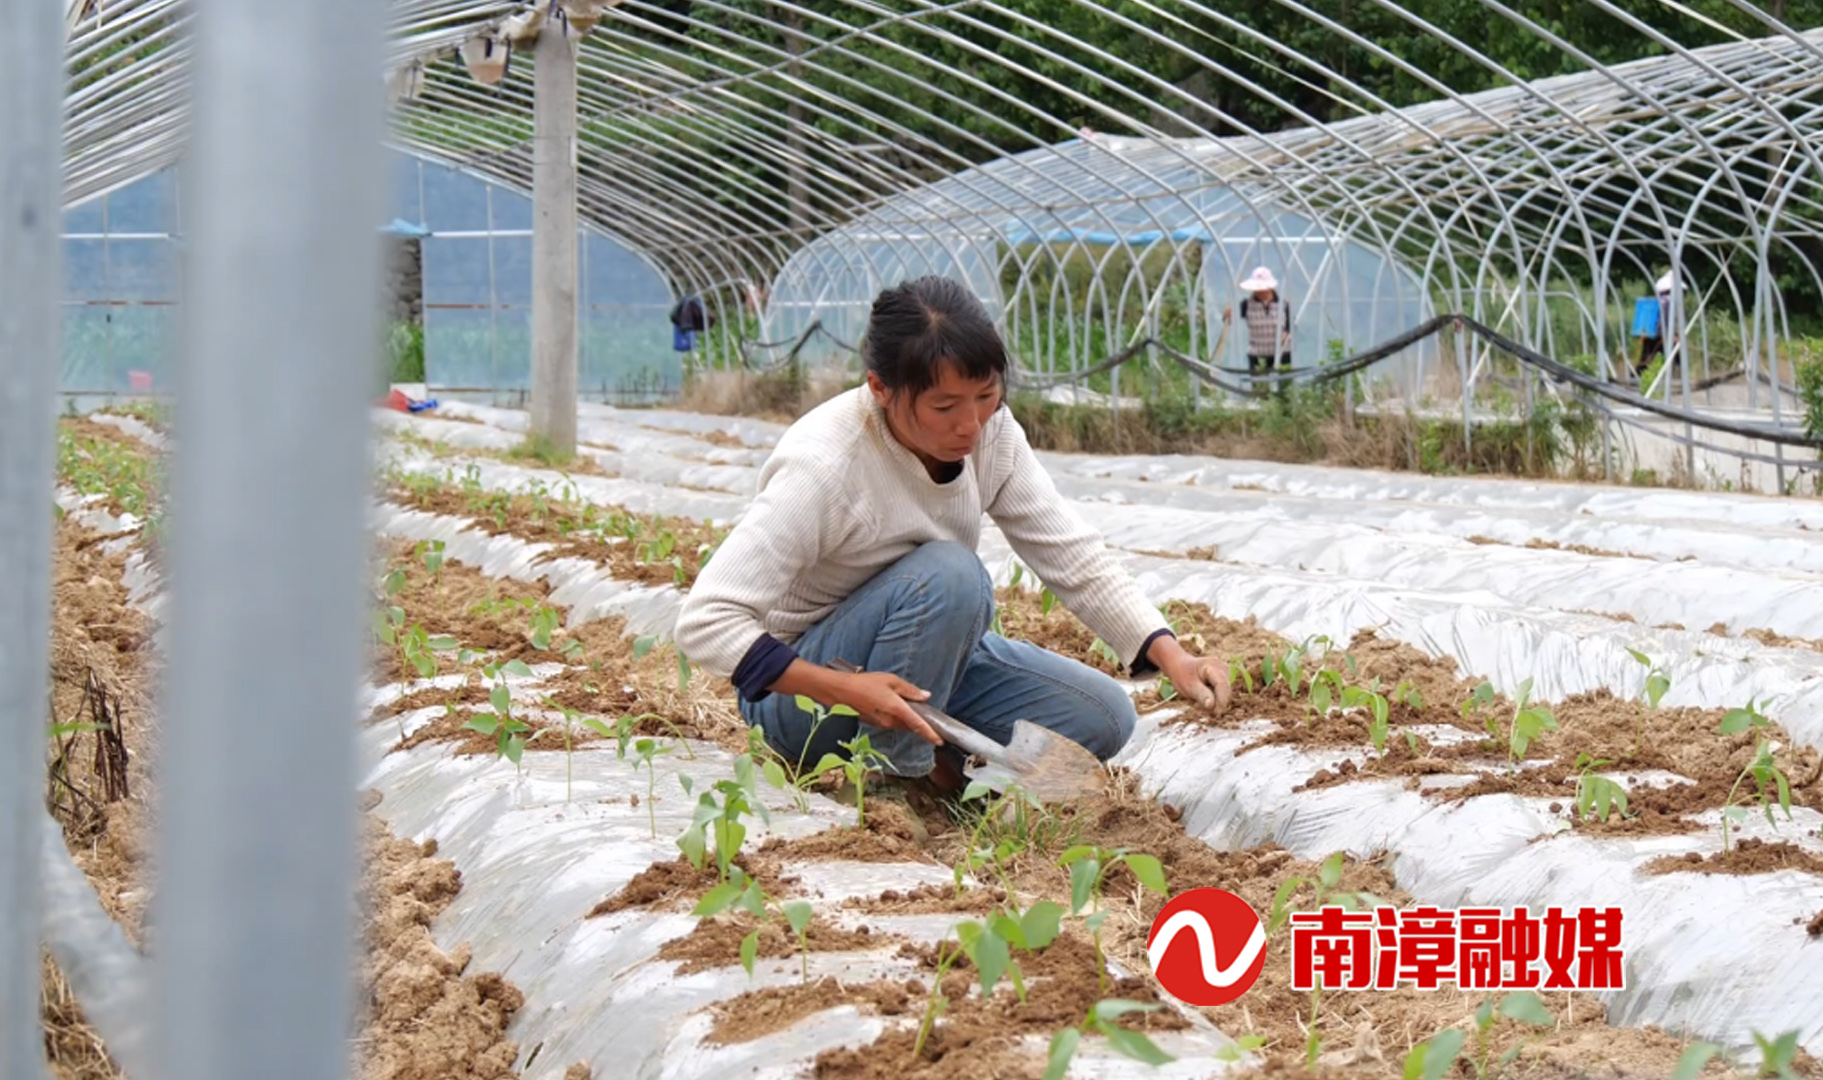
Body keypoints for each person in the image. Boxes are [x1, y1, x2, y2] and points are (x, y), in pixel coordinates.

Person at [673, 275, 1233, 793]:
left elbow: (1068, 551)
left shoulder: (992, 437)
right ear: (882, 388)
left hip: (925, 662)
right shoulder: (825, 464)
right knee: (951, 574)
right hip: (810, 696)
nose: (970, 424)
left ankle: (943, 760)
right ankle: (895, 779)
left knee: (1103, 715)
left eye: (986, 397)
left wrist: (1172, 656)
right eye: (944, 406)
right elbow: (706, 622)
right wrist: (845, 689)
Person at [1222, 267, 1292, 398]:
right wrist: (1227, 315)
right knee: (1260, 392)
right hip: (1258, 354)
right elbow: (1231, 321)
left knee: (1285, 392)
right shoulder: (1246, 305)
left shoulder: (1284, 304)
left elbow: (1291, 326)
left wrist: (1287, 333)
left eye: (1263, 288)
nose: (1260, 291)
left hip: (1282, 352)